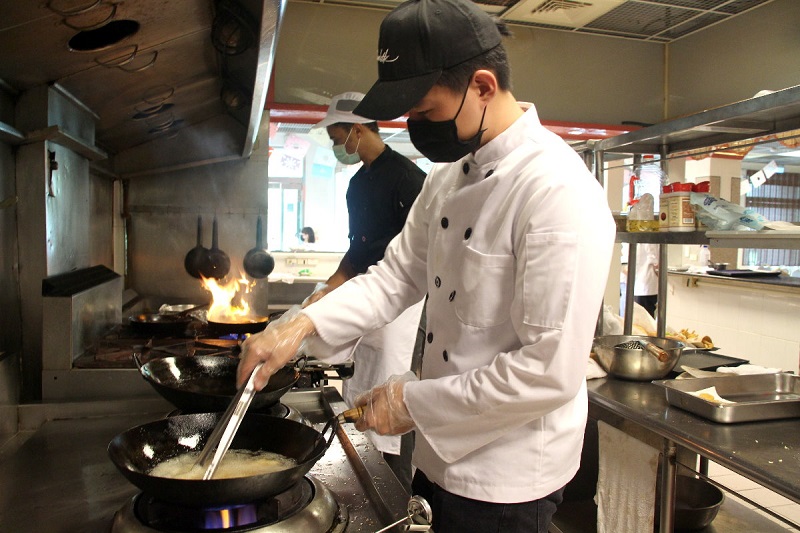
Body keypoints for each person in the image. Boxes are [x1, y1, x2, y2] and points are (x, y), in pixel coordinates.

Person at [238, 1, 615, 531]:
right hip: (438, 453)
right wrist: (302, 325)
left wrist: (414, 405)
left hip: (507, 474)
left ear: (483, 86)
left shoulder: (556, 190)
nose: (413, 125)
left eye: (424, 110)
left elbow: (550, 369)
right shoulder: (446, 179)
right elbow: (396, 277)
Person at [303, 91, 427, 491]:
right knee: (362, 382)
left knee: (391, 392)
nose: (339, 145)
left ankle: (396, 490)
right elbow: (359, 250)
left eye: (340, 136)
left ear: (358, 129)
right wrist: (327, 289)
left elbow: (423, 255)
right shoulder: (357, 184)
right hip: (367, 292)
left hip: (404, 302)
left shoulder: (408, 178)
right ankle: (366, 478)